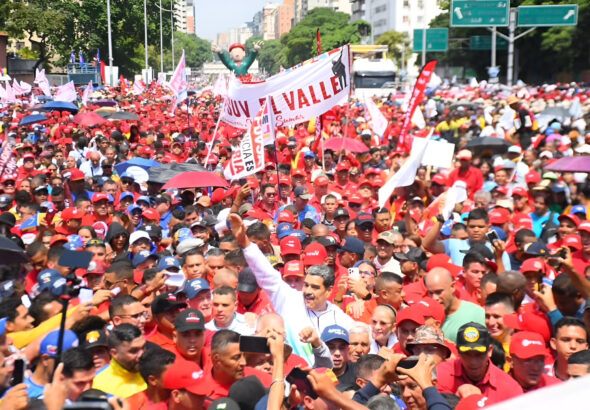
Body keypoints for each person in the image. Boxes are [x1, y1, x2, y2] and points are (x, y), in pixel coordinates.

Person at [229, 213, 354, 363]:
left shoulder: (341, 319)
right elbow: (267, 273)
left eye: (315, 287)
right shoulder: (290, 299)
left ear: (328, 291)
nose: (308, 291)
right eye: (306, 285)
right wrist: (245, 243)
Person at [436, 322, 523, 404]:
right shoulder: (440, 374)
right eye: (467, 354)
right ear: (458, 351)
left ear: (490, 351)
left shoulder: (510, 389)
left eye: (479, 354)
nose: (473, 362)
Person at [424, 268, 485, 344]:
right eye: (430, 293)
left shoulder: (476, 313)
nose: (434, 298)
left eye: (439, 292)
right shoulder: (426, 317)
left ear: (452, 287)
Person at [92, 323, 147, 398]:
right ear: (114, 353)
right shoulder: (97, 384)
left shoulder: (155, 373)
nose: (141, 354)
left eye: (143, 348)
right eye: (134, 351)